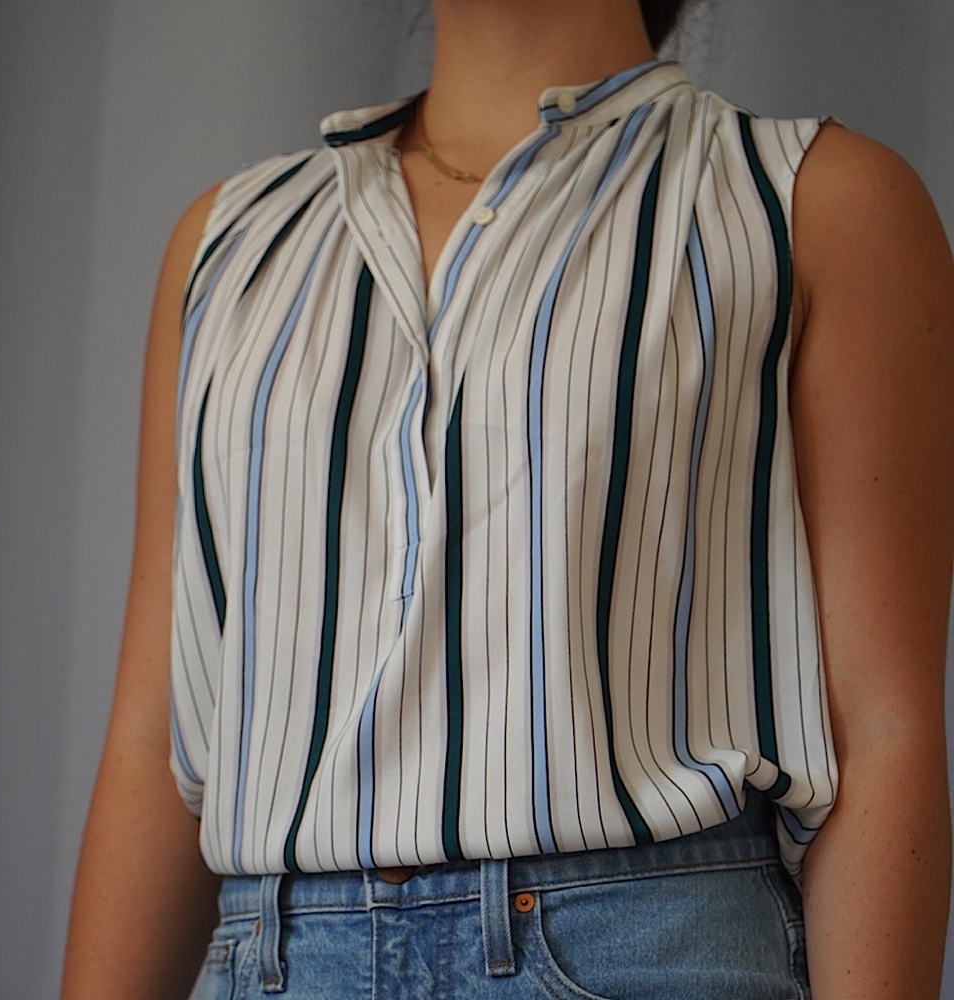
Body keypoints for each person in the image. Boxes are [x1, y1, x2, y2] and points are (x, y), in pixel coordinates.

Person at [60, 0, 954, 997]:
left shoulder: (806, 201)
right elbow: (154, 742)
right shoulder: (231, 242)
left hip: (641, 953)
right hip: (280, 959)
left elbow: (881, 732)